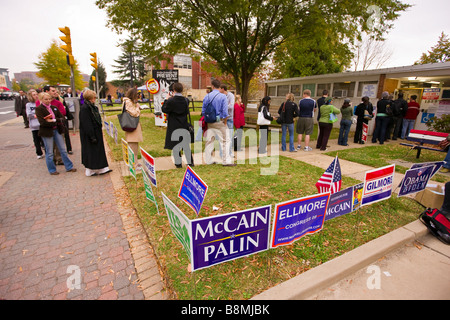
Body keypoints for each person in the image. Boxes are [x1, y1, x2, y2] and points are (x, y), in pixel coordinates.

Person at [35, 92, 76, 175]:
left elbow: (62, 118)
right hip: (47, 132)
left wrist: (53, 120)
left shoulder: (54, 108)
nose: (48, 101)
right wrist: (54, 121)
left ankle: (69, 166)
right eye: (46, 99)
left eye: (49, 99)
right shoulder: (39, 109)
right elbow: (42, 122)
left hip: (57, 130)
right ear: (41, 100)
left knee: (63, 150)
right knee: (49, 152)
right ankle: (52, 169)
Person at [202, 79, 235, 166]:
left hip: (209, 122)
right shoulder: (223, 96)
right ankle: (226, 161)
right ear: (219, 86)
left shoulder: (207, 96)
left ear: (212, 86)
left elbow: (203, 110)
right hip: (219, 121)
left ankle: (208, 160)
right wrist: (225, 122)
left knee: (209, 141)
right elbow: (225, 112)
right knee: (225, 141)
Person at [161, 82, 194, 168]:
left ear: (174, 90)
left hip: (174, 125)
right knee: (185, 144)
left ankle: (178, 163)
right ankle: (190, 162)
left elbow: (164, 109)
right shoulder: (186, 100)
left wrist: (166, 99)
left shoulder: (171, 101)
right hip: (184, 124)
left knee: (175, 145)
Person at [79, 89, 111, 176]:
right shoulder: (85, 108)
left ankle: (101, 167)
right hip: (90, 134)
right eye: (94, 97)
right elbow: (86, 123)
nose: (95, 99)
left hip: (96, 132)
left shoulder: (92, 107)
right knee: (90, 151)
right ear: (90, 98)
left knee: (98, 150)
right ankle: (90, 169)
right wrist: (92, 135)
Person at [123, 88, 143, 160]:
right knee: (132, 147)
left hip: (132, 126)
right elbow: (134, 114)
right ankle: (133, 164)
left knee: (134, 146)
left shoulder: (128, 102)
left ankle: (135, 163)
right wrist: (137, 108)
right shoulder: (128, 102)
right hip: (132, 127)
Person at [25, 89, 44, 159]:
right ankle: (39, 153)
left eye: (36, 94)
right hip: (34, 125)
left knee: (43, 139)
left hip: (41, 124)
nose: (36, 96)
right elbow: (29, 114)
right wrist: (36, 115)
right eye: (34, 95)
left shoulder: (40, 103)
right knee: (36, 140)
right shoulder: (28, 105)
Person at [219, 84, 235, 158]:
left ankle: (229, 152)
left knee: (229, 137)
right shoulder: (220, 96)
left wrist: (223, 107)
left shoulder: (231, 96)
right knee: (222, 137)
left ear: (223, 89)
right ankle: (222, 154)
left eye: (219, 88)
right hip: (222, 119)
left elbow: (231, 106)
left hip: (229, 119)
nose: (218, 90)